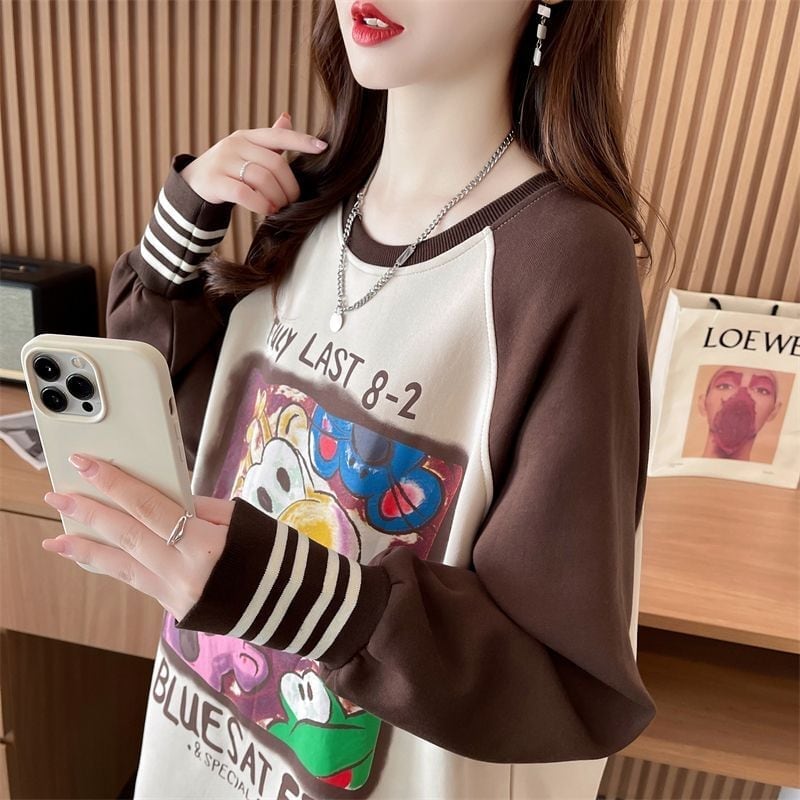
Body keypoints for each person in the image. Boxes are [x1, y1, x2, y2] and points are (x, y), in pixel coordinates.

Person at [41, 1, 659, 797]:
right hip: (191, 762)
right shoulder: (308, 199)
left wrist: (274, 587)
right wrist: (182, 227)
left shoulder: (564, 259)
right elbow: (208, 453)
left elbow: (562, 675)